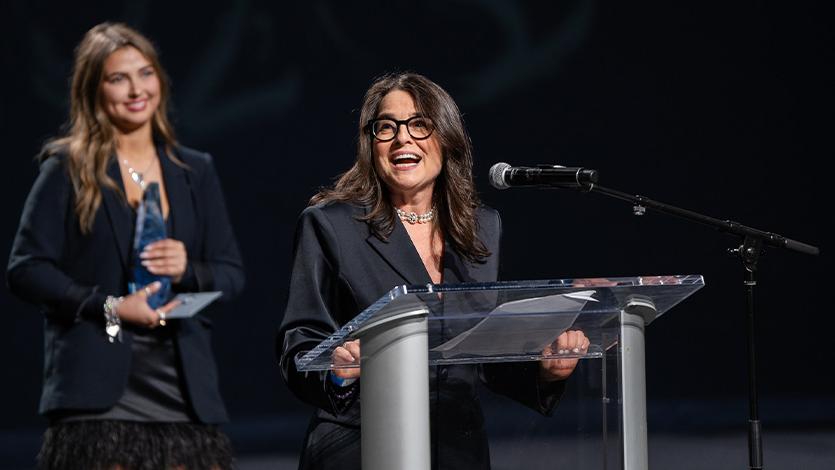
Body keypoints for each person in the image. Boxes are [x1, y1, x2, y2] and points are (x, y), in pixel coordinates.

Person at [277, 72, 589, 470]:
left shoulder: (481, 226)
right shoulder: (330, 225)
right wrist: (338, 372)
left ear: (447, 139)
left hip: (458, 446)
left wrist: (546, 372)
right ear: (371, 145)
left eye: (419, 125)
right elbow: (298, 344)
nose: (402, 138)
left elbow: (478, 352)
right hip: (361, 442)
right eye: (385, 127)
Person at [7, 22, 244, 469]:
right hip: (97, 386)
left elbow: (231, 273)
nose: (136, 89)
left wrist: (186, 269)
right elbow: (25, 268)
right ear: (93, 90)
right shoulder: (67, 168)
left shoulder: (195, 170)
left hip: (182, 384)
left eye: (145, 73)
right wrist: (111, 306)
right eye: (119, 78)